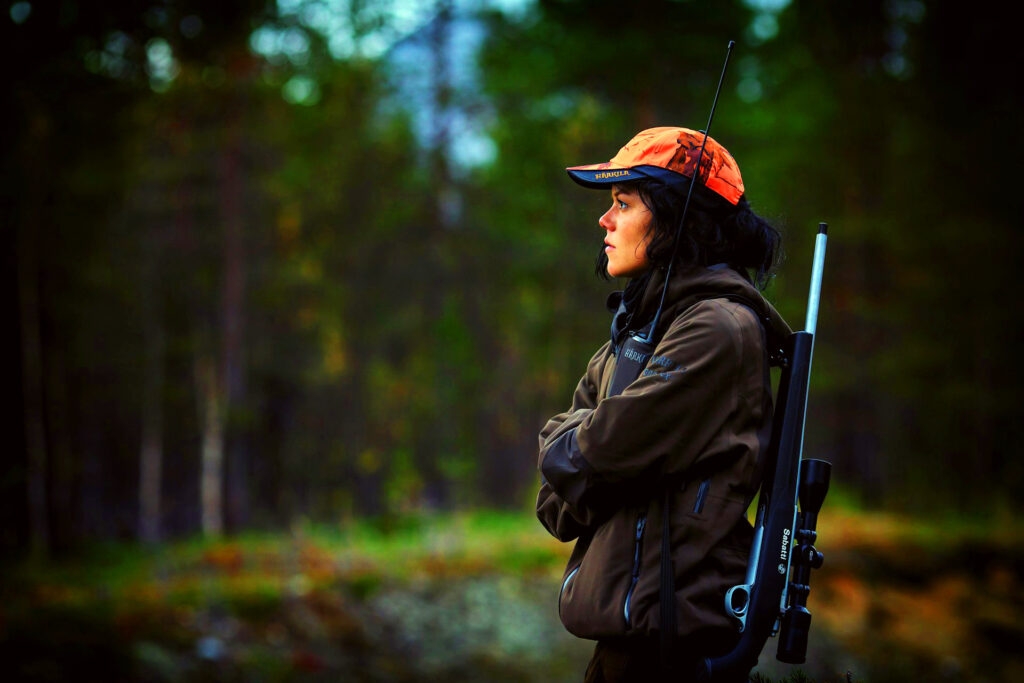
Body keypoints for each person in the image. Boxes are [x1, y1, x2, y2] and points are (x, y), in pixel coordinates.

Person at [535, 126, 792, 681]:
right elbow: (555, 503)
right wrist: (586, 454)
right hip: (626, 640)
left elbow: (597, 450)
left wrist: (585, 451)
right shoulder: (636, 335)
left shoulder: (717, 327)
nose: (604, 221)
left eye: (624, 204)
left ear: (680, 220)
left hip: (674, 646)